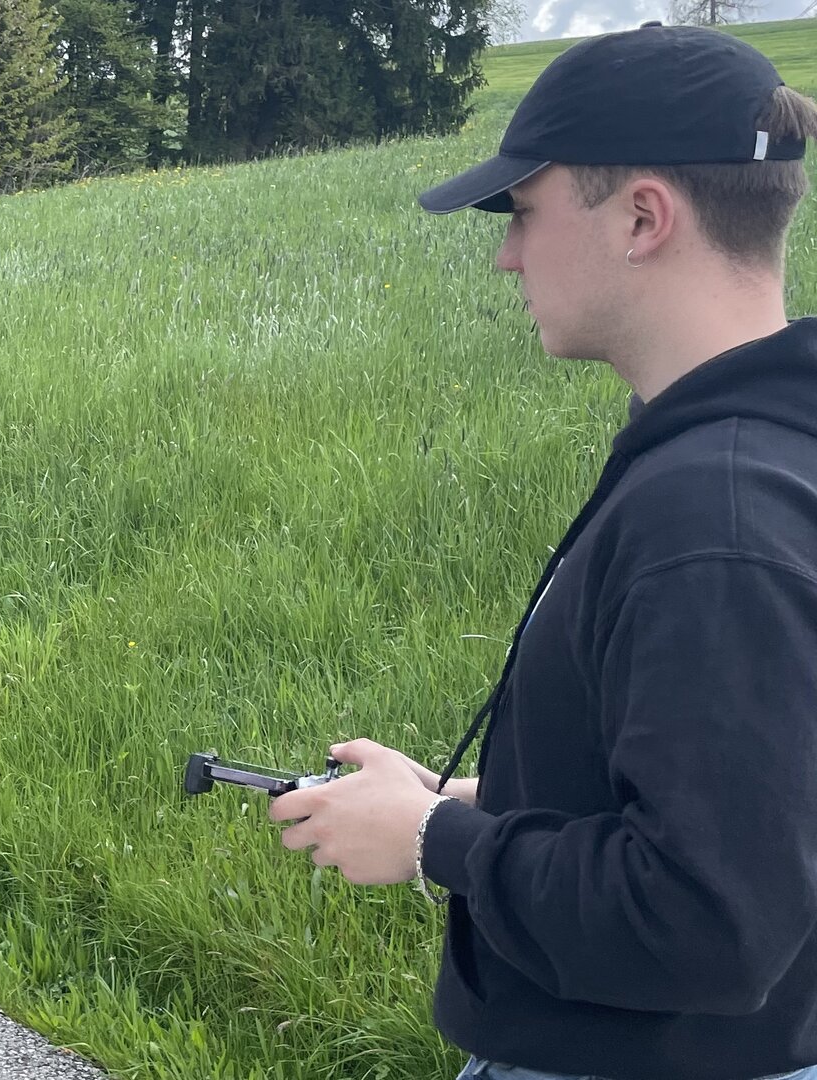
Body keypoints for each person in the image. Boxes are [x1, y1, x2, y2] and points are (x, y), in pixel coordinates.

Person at [265, 22, 817, 1080]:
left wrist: (434, 841)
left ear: (643, 217)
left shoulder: (718, 519)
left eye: (522, 211)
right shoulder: (748, 456)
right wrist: (486, 799)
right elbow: (757, 805)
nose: (506, 253)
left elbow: (710, 920)